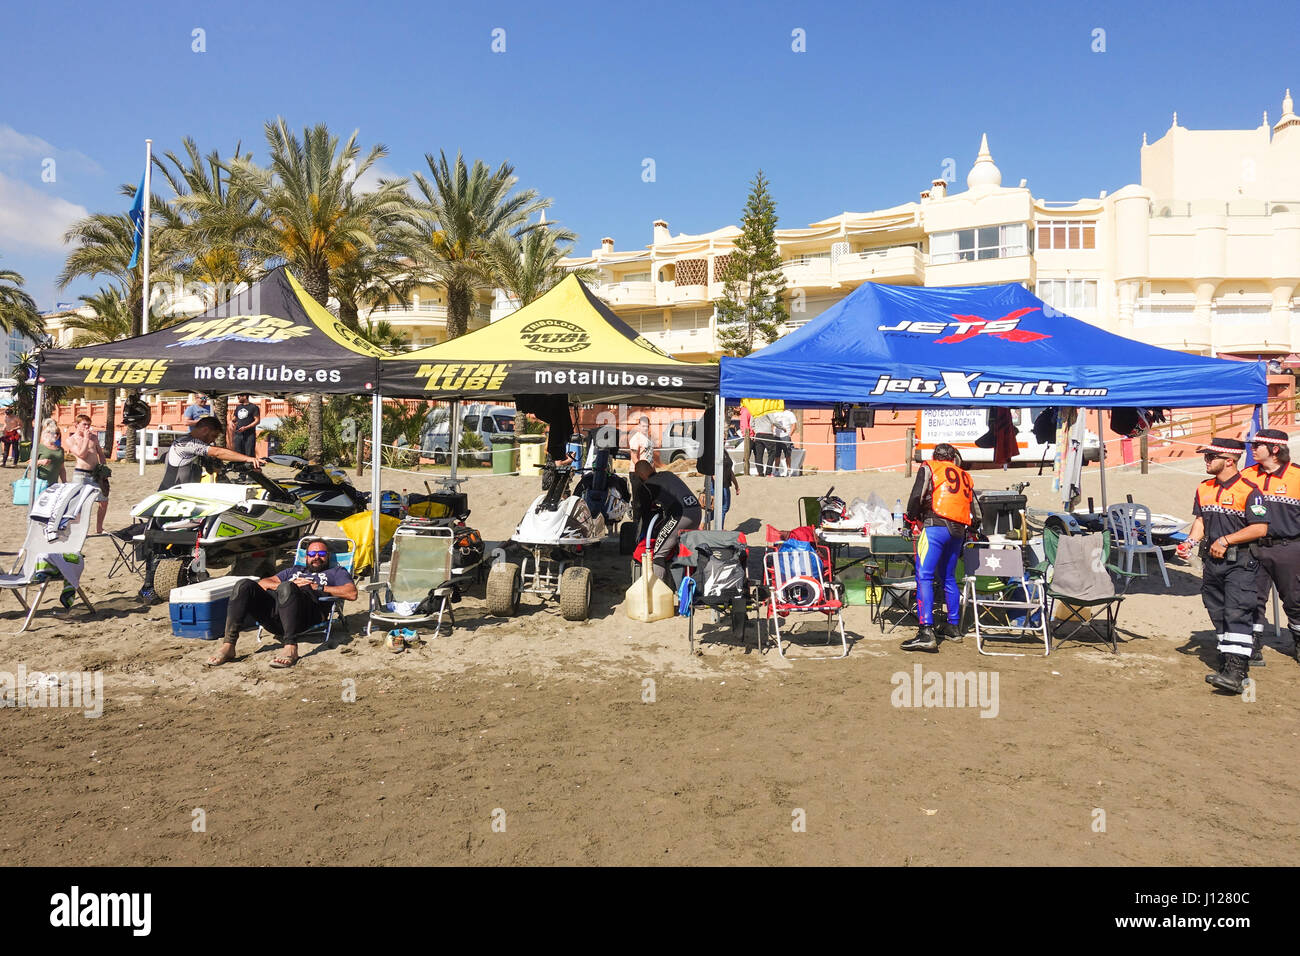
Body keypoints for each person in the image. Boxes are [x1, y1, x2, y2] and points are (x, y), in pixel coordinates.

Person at [1187, 437, 1269, 694]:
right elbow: (1200, 520)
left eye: (1211, 457)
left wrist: (1225, 539)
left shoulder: (1249, 490)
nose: (1206, 461)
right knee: (1216, 609)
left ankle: (1236, 671)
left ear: (1229, 461)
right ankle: (1227, 658)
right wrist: (1190, 542)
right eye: (1206, 456)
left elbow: (1259, 528)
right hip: (1212, 562)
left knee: (1237, 611)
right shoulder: (1204, 488)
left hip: (1241, 561)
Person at [204, 538, 358, 669]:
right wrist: (286, 585)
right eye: (312, 553)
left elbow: (351, 593)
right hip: (276, 617)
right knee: (244, 585)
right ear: (306, 557)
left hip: (306, 616)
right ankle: (229, 645)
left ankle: (290, 646)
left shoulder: (336, 572)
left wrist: (316, 587)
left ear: (328, 556)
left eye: (321, 554)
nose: (316, 557)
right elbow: (264, 583)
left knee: (287, 586)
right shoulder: (293, 571)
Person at [901, 443, 979, 652]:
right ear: (954, 458)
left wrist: (909, 519)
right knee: (949, 577)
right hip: (958, 531)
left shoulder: (930, 467)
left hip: (935, 525)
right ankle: (953, 627)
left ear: (935, 456)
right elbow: (976, 513)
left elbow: (917, 495)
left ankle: (926, 631)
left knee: (924, 576)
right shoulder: (965, 476)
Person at [1241, 428, 1300, 664]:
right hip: (1253, 547)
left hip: (1289, 547)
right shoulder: (1246, 475)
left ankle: (1297, 641)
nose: (1252, 449)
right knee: (1251, 598)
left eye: (1257, 445)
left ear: (1275, 449)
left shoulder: (1297, 476)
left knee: (1295, 599)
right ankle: (1252, 644)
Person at [634, 460, 702, 583]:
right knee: (679, 547)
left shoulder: (647, 486)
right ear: (652, 469)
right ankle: (682, 581)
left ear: (639, 475)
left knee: (658, 554)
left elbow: (645, 513)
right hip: (696, 510)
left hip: (681, 514)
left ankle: (657, 589)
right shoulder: (668, 474)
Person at [157, 415, 261, 491]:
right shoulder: (184, 443)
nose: (212, 440)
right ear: (205, 430)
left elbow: (214, 469)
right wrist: (248, 458)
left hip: (185, 496)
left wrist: (247, 467)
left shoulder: (199, 449)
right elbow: (217, 452)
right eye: (213, 436)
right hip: (170, 496)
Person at [63, 414, 109, 535]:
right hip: (81, 474)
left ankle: (99, 528)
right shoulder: (71, 439)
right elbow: (81, 454)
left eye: (89, 424)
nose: (87, 427)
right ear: (76, 425)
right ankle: (77, 529)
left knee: (103, 501)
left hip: (95, 473)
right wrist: (85, 439)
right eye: (84, 424)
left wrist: (104, 469)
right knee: (79, 503)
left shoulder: (94, 437)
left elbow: (101, 454)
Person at [768, 408, 799, 477]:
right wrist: (772, 432)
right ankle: (776, 471)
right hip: (776, 436)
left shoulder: (789, 413)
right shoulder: (775, 413)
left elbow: (794, 425)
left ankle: (789, 471)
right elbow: (772, 424)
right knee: (776, 455)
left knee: (787, 454)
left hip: (786, 436)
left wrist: (789, 435)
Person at [34, 420, 67, 485]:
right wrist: (40, 462)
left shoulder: (60, 450)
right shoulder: (39, 447)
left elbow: (62, 468)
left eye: (57, 433)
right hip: (40, 484)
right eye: (52, 433)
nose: (55, 435)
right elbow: (30, 464)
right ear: (46, 433)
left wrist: (64, 482)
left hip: (54, 484)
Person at [230, 393, 260, 458]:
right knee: (238, 453)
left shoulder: (253, 407)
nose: (238, 398)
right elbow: (234, 418)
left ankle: (249, 467)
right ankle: (238, 467)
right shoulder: (238, 407)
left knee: (249, 453)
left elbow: (257, 421)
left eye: (239, 396)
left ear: (245, 396)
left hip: (249, 435)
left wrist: (246, 427)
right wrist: (231, 422)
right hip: (238, 434)